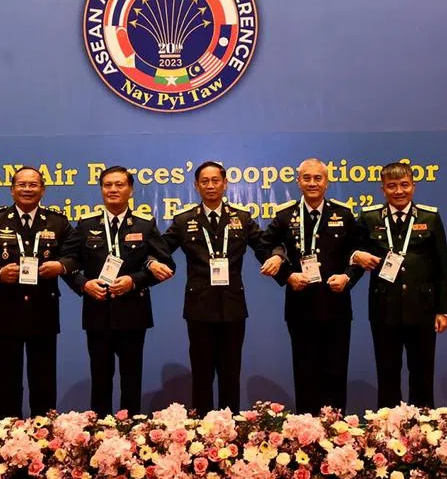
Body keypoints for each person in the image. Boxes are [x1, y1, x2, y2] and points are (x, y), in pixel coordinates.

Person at [149, 161, 285, 414]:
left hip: (232, 307)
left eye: (215, 180)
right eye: (205, 181)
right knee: (201, 375)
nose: (210, 186)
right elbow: (159, 251)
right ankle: (202, 431)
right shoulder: (183, 220)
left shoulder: (241, 219)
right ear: (196, 185)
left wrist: (277, 255)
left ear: (225, 184)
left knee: (230, 373)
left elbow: (266, 245)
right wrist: (151, 262)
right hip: (198, 307)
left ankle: (230, 429)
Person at [59, 166, 174, 417]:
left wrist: (134, 281)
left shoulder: (144, 225)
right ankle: (100, 436)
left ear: (130, 190)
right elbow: (66, 262)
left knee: (131, 379)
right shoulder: (86, 224)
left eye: (119, 185)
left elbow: (167, 265)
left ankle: (131, 435)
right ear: (101, 190)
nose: (113, 189)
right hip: (97, 312)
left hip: (133, 313)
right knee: (100, 379)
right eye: (107, 185)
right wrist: (83, 284)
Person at [262, 158, 366, 414]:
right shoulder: (285, 215)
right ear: (298, 182)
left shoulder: (343, 214)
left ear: (326, 182)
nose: (312, 183)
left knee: (336, 371)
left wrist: (348, 277)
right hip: (301, 306)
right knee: (305, 371)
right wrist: (286, 274)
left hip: (336, 305)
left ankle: (336, 431)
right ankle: (306, 432)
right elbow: (264, 245)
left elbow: (360, 252)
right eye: (306, 178)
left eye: (317, 178)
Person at [0, 166, 73, 419]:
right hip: (5, 309)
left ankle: (45, 437)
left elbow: (75, 255)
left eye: (33, 185)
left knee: (44, 379)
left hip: (43, 310)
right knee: (8, 380)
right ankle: (8, 438)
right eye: (22, 184)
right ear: (12, 189)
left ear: (43, 189)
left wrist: (61, 265)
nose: (27, 189)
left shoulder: (57, 222)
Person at [352, 161, 447, 409]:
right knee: (387, 374)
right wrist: (355, 255)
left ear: (414, 187)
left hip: (423, 309)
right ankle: (388, 432)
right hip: (384, 308)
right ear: (382, 189)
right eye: (392, 186)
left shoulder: (430, 217)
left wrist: (443, 309)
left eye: (404, 185)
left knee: (422, 373)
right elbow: (350, 250)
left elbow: (442, 266)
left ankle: (423, 431)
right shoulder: (369, 217)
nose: (399, 191)